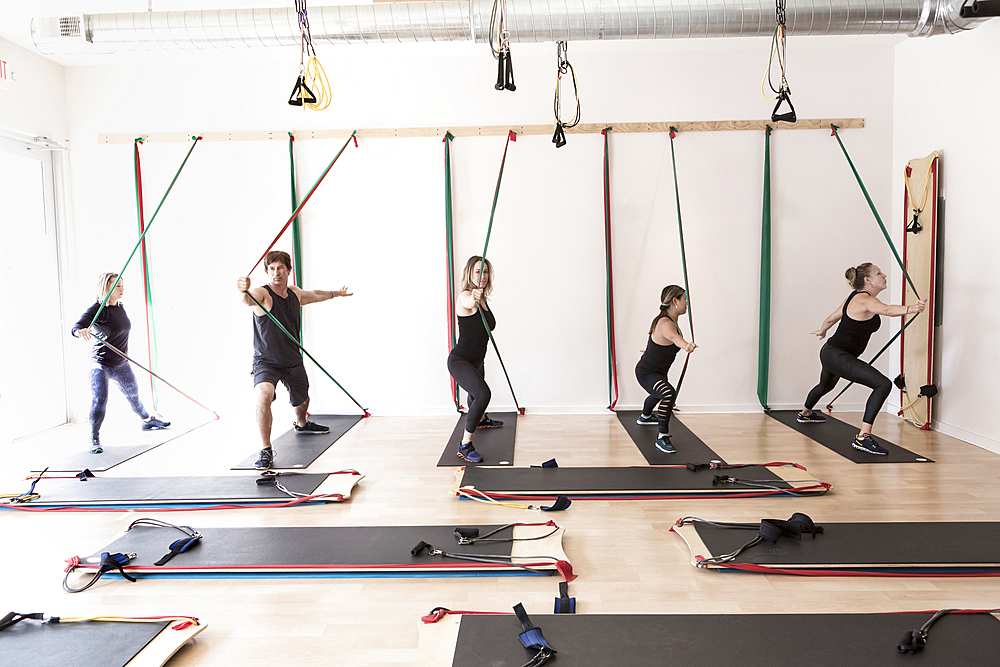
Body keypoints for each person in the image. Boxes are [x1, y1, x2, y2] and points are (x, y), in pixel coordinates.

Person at [237, 250, 352, 469]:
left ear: (289, 270)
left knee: (302, 401)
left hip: (292, 360)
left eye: (280, 267)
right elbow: (248, 300)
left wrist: (337, 293)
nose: (276, 272)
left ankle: (301, 423)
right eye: (271, 268)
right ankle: (266, 450)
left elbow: (316, 294)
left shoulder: (294, 293)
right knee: (263, 396)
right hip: (266, 361)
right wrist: (242, 290)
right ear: (267, 272)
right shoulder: (263, 294)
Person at [798, 263, 926, 455]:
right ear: (868, 280)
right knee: (882, 384)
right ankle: (863, 437)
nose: (884, 275)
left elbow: (832, 319)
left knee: (825, 386)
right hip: (837, 354)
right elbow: (888, 311)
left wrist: (823, 331)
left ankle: (805, 413)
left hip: (831, 351)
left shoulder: (854, 298)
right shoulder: (865, 300)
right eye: (878, 273)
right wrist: (912, 308)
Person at [71, 273, 170, 454]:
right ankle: (94, 437)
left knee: (134, 395)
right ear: (106, 288)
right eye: (118, 286)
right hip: (100, 364)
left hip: (122, 362)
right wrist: (81, 332)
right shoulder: (97, 309)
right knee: (100, 400)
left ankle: (147, 420)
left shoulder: (120, 306)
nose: (122, 289)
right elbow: (76, 327)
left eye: (122, 285)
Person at [447, 256, 504, 463]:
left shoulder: (484, 300)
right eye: (478, 271)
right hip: (460, 360)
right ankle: (465, 445)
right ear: (470, 273)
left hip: (477, 361)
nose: (483, 275)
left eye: (486, 272)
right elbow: (468, 301)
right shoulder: (466, 296)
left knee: (475, 394)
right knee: (483, 394)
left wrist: (480, 299)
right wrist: (474, 297)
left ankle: (480, 419)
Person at [635, 285, 697, 454]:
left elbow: (661, 341)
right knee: (668, 393)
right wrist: (686, 345)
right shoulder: (665, 323)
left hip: (658, 371)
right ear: (675, 301)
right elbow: (672, 337)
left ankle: (645, 417)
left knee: (658, 393)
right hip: (647, 372)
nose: (687, 303)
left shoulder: (669, 321)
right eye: (685, 299)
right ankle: (662, 437)